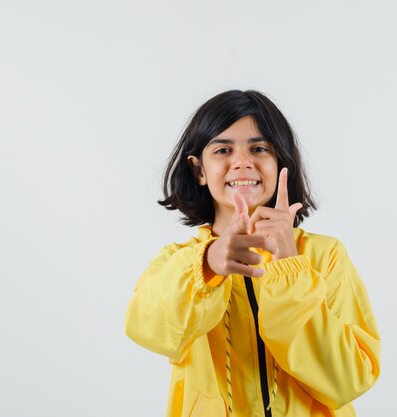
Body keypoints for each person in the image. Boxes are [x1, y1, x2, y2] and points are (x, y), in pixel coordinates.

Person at [125, 90, 381, 417]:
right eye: (223, 149)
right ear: (199, 169)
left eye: (260, 149)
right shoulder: (180, 264)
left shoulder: (324, 256)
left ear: (280, 164)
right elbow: (147, 327)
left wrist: (289, 268)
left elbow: (348, 380)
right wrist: (208, 263)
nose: (243, 162)